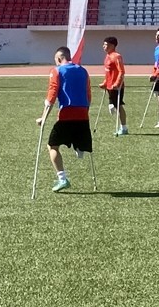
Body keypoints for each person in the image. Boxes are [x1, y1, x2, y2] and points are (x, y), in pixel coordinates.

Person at [36, 46, 92, 192]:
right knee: (79, 135)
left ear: (59, 59)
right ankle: (79, 146)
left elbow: (51, 96)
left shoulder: (57, 71)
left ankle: (62, 179)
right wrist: (86, 111)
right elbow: (88, 94)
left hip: (66, 114)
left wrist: (43, 118)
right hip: (83, 114)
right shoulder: (83, 70)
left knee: (52, 146)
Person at [100, 36, 127, 136]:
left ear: (112, 45)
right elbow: (108, 72)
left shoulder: (117, 56)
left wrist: (117, 83)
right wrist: (105, 83)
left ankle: (124, 127)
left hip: (116, 87)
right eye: (103, 44)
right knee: (114, 105)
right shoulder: (107, 56)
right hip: (109, 86)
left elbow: (121, 71)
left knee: (118, 106)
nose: (104, 46)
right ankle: (122, 126)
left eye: (106, 44)